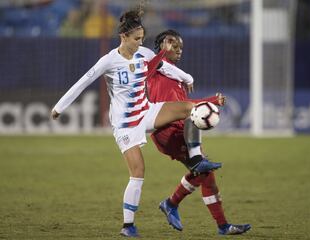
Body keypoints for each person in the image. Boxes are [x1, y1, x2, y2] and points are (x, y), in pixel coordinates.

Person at [50, 7, 221, 238]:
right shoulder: (109, 60)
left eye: (142, 38)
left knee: (191, 108)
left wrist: (187, 77)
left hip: (147, 111)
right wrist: (59, 107)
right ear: (123, 37)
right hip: (125, 124)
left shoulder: (144, 54)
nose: (140, 43)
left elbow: (165, 67)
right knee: (138, 172)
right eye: (136, 39)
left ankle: (197, 159)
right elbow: (82, 82)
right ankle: (128, 225)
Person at [147, 29, 251, 235]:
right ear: (162, 47)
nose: (179, 50)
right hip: (168, 131)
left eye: (181, 47)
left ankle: (178, 207)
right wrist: (209, 101)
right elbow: (183, 107)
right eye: (174, 46)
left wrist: (211, 100)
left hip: (181, 129)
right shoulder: (153, 69)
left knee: (205, 174)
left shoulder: (176, 77)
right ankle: (175, 204)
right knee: (202, 166)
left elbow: (183, 104)